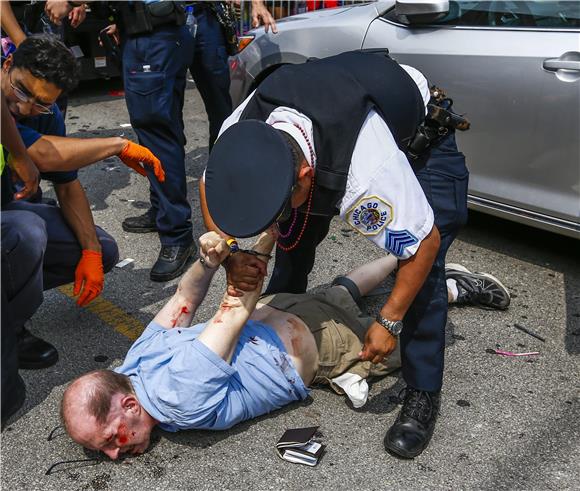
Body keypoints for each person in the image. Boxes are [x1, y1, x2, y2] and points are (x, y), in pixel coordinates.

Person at [200, 50, 471, 458]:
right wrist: (234, 251)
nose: (270, 226)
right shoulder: (240, 133)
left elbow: (423, 244)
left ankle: (422, 393)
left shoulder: (366, 174)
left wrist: (388, 319)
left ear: (306, 177)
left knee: (423, 273)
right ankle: (284, 304)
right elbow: (211, 185)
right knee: (294, 230)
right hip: (335, 107)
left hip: (418, 132)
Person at [60, 230, 405, 460]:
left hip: (322, 344)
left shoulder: (176, 399)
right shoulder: (135, 362)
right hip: (277, 306)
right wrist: (208, 260)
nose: (113, 455)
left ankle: (445, 284)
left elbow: (236, 304)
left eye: (110, 440)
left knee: (404, 345)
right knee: (341, 292)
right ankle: (403, 253)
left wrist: (268, 237)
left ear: (130, 405)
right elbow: (185, 297)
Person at [1, 35, 163, 424]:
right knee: (27, 232)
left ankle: (12, 322)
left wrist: (89, 252)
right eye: (22, 90)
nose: (26, 106)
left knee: (102, 249)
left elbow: (66, 182)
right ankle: (9, 330)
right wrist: (117, 146)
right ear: (6, 67)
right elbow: (40, 154)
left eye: (42, 101)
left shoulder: (42, 113)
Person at [188, 1, 277, 150]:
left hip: (205, 14)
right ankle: (167, 172)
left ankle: (221, 166)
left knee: (221, 107)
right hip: (163, 20)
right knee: (164, 113)